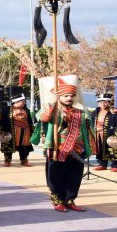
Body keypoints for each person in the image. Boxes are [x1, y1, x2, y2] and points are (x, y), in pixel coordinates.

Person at [32, 76, 95, 212]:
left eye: (71, 96)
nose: (69, 98)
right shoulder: (53, 111)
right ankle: (57, 200)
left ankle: (70, 199)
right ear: (59, 96)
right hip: (57, 149)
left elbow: (87, 130)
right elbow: (43, 118)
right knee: (56, 176)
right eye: (65, 95)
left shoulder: (80, 113)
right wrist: (52, 104)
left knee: (75, 176)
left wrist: (90, 146)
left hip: (77, 151)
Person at [91, 93, 117, 172]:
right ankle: (102, 164)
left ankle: (116, 165)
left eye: (105, 102)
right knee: (100, 149)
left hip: (111, 133)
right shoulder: (95, 112)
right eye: (100, 102)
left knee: (114, 148)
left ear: (109, 102)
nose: (103, 104)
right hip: (98, 134)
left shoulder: (115, 112)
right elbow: (92, 123)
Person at [0, 93, 34, 167]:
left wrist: (32, 131)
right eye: (22, 101)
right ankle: (7, 161)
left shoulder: (26, 110)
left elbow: (30, 121)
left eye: (24, 101)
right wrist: (1, 131)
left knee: (24, 147)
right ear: (16, 102)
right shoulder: (6, 110)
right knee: (8, 146)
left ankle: (24, 160)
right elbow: (1, 121)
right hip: (11, 132)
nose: (24, 103)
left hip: (25, 133)